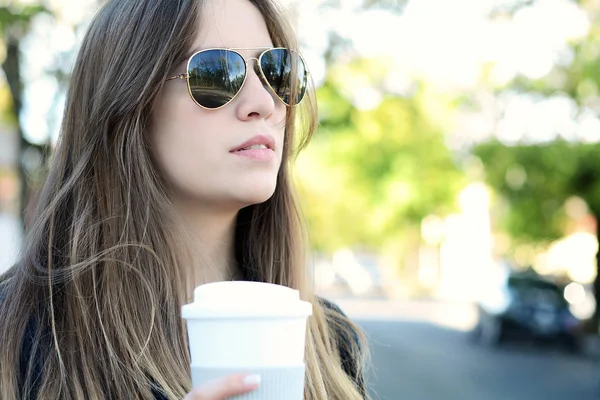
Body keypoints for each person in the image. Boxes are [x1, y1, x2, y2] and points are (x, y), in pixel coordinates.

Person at [0, 0, 369, 399]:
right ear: (130, 103)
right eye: (217, 74)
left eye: (277, 72)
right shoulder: (18, 332)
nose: (264, 104)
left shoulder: (328, 341)